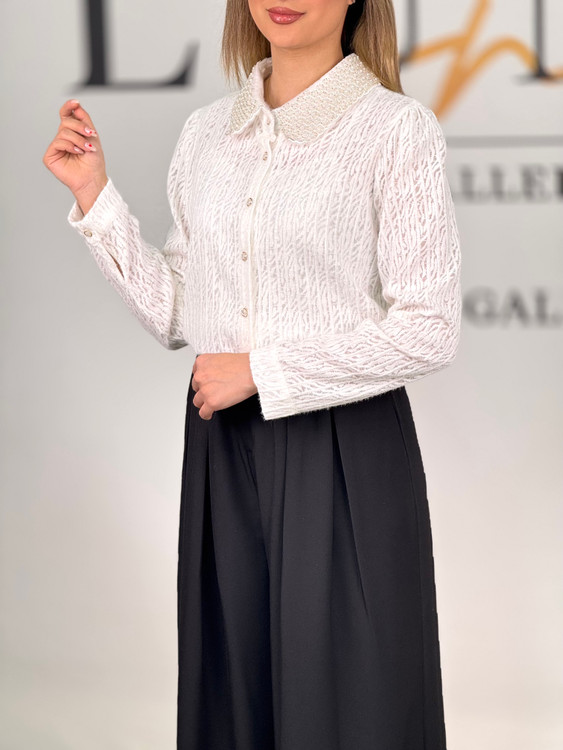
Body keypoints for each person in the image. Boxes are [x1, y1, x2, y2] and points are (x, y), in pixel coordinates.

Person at [43, 0, 462, 747]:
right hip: (223, 447)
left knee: (349, 701)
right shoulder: (207, 133)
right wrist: (95, 198)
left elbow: (429, 328)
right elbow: (179, 314)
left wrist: (263, 372)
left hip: (344, 448)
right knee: (234, 698)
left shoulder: (395, 129)